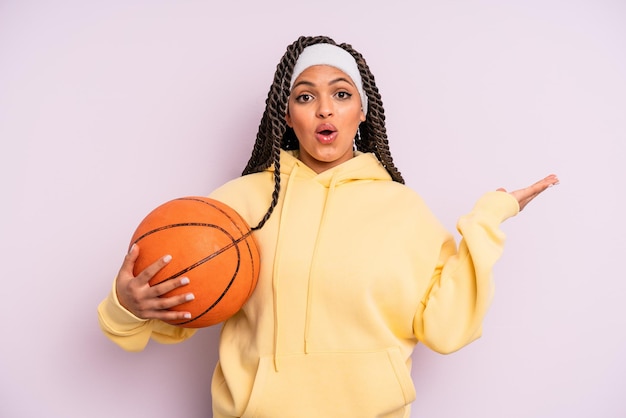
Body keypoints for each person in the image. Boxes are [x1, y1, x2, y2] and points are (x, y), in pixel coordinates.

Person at [98, 35, 559, 418]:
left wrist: (486, 221)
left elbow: (445, 328)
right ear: (286, 114)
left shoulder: (402, 209)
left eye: (341, 94)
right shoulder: (236, 206)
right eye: (305, 96)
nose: (324, 109)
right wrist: (128, 305)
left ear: (362, 111)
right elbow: (169, 319)